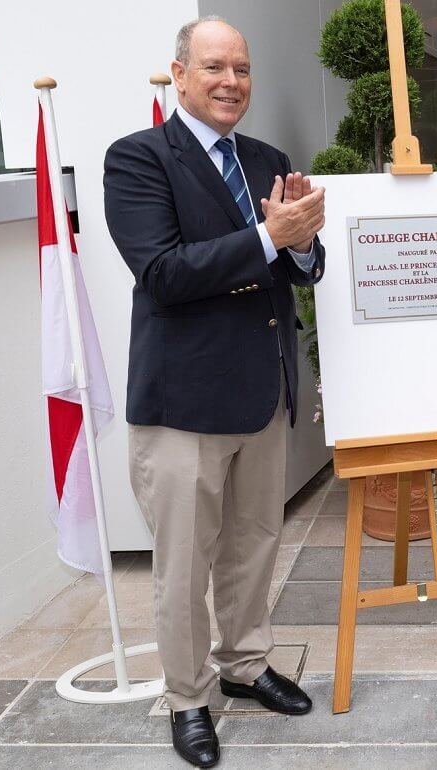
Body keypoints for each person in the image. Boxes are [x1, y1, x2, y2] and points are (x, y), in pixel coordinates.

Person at [102, 17, 323, 767]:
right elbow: (163, 273)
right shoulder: (137, 159)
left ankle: (246, 665)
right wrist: (269, 238)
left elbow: (295, 268)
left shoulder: (266, 159)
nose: (232, 81)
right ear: (181, 73)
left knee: (255, 544)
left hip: (260, 392)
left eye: (243, 68)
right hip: (183, 406)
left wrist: (303, 244)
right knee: (184, 564)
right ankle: (189, 697)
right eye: (216, 67)